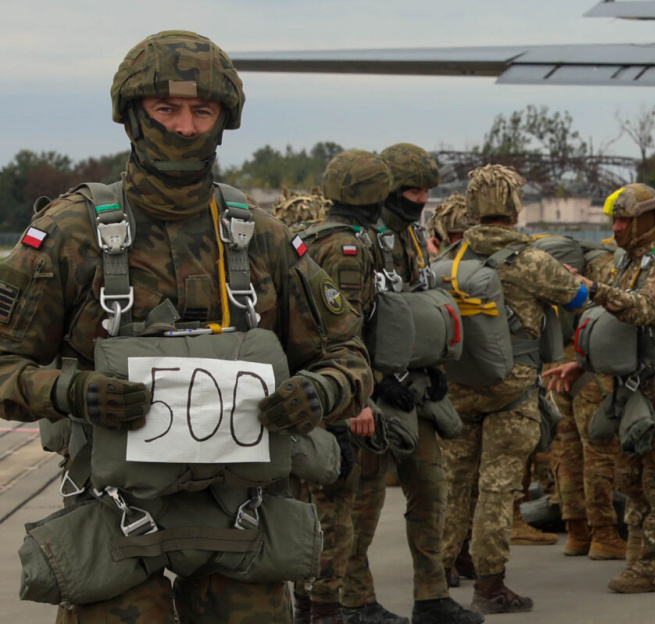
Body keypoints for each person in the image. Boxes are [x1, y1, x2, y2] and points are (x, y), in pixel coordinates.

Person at [0, 31, 372, 623]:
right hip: (116, 516)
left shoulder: (264, 237)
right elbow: (5, 364)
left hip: (241, 517)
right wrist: (73, 393)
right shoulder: (70, 234)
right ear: (131, 119)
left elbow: (347, 359)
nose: (184, 126)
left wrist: (317, 393)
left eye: (203, 111)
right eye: (165, 109)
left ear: (224, 120)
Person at [439, 165, 588, 613]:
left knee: (454, 484)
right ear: (514, 209)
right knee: (497, 489)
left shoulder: (450, 259)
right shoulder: (533, 261)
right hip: (513, 390)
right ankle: (490, 586)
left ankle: (440, 570)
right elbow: (578, 299)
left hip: (458, 387)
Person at [544, 183, 655, 594]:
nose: (617, 226)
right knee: (630, 476)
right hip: (631, 387)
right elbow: (613, 327)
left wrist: (592, 288)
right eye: (615, 219)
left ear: (648, 219)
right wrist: (581, 364)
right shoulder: (627, 262)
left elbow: (643, 308)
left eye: (625, 219)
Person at [371, 143, 484, 624]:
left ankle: (431, 596)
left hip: (415, 389)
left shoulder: (413, 238)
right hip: (372, 393)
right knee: (360, 505)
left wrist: (434, 365)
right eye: (412, 190)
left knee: (431, 492)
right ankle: (348, 601)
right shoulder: (361, 238)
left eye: (426, 191)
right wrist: (374, 380)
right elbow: (344, 321)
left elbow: (420, 299)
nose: (420, 199)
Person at [548, 239, 627, 560]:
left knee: (566, 448)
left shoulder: (558, 261)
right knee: (597, 446)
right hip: (585, 361)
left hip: (554, 360)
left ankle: (576, 532)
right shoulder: (607, 263)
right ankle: (604, 533)